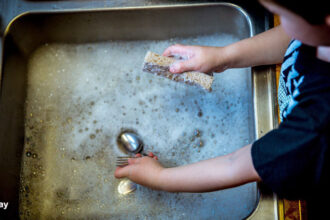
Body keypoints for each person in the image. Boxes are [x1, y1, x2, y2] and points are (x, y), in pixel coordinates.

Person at [115, 0, 330, 218]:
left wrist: (160, 179)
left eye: (281, 15)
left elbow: (235, 165)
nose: (281, 23)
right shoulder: (322, 38)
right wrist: (223, 57)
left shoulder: (315, 131)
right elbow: (292, 39)